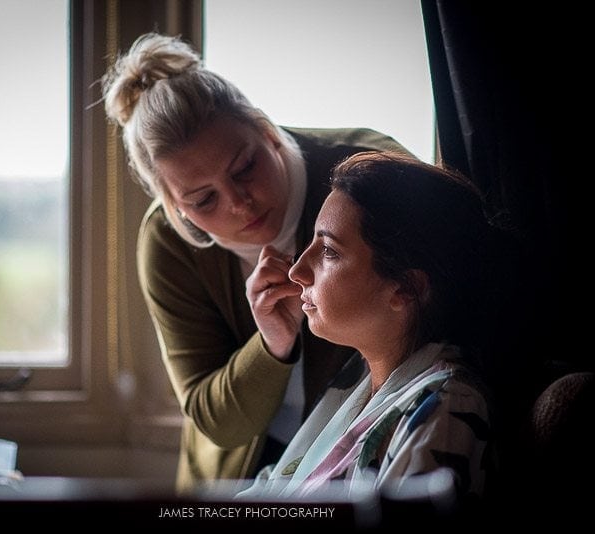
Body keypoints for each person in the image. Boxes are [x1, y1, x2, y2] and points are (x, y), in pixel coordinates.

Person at [102, 33, 411, 492]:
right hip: (238, 478)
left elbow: (439, 316)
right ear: (175, 208)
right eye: (203, 200)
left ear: (269, 132)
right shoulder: (168, 242)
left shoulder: (369, 171)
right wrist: (271, 345)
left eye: (245, 168)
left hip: (365, 452)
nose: (239, 204)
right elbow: (216, 421)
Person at [239, 151, 493, 501]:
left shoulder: (445, 408)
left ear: (406, 288)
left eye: (328, 251)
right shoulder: (355, 380)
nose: (297, 271)